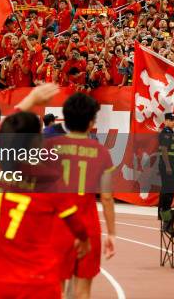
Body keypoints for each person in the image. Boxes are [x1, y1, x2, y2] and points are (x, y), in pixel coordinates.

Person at [0, 111, 91, 299]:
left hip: (0, 282)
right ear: (36, 142)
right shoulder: (49, 179)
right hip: (39, 281)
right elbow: (76, 224)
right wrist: (84, 239)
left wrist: (27, 102)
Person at [46, 93, 116, 299]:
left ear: (64, 119)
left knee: (55, 290)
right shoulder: (102, 152)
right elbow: (107, 197)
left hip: (57, 227)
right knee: (82, 292)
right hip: (88, 226)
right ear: (92, 122)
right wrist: (111, 233)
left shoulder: (50, 148)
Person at [158, 112, 174, 216]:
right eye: (171, 120)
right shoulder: (166, 132)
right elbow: (164, 150)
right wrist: (168, 166)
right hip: (168, 165)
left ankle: (163, 213)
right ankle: (165, 213)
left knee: (167, 189)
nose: (173, 122)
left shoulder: (170, 132)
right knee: (168, 190)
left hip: (170, 165)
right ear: (165, 121)